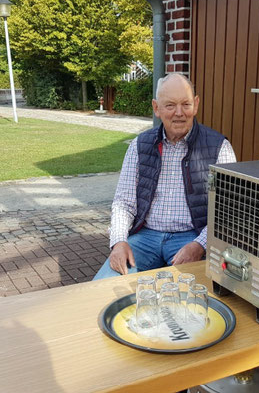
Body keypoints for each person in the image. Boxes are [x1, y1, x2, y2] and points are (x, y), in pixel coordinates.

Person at [93, 73, 236, 279]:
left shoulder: (219, 148)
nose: (179, 113)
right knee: (103, 287)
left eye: (185, 104)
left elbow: (228, 210)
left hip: (191, 236)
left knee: (192, 298)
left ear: (195, 105)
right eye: (170, 105)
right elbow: (124, 203)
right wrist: (118, 242)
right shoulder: (140, 145)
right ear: (156, 108)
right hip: (145, 237)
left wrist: (200, 244)